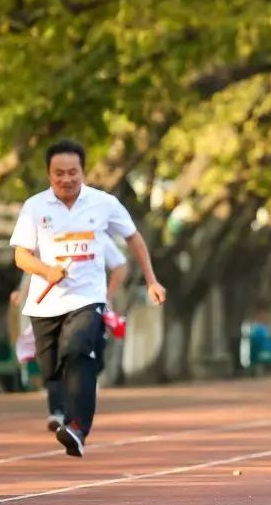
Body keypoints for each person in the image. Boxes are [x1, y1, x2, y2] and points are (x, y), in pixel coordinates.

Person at [9, 139, 166, 457]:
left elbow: (133, 238)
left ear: (83, 172)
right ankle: (65, 405)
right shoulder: (34, 207)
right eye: (59, 173)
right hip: (44, 302)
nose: (66, 179)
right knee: (51, 367)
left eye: (73, 172)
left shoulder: (103, 204)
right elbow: (21, 256)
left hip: (87, 298)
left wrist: (151, 280)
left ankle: (77, 428)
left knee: (78, 350)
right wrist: (45, 270)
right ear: (49, 174)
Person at [12, 232, 129, 431]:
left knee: (81, 353)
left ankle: (80, 395)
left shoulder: (94, 233)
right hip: (49, 308)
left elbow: (119, 266)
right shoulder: (44, 235)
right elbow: (27, 266)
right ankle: (57, 410)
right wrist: (23, 292)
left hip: (86, 305)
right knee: (50, 359)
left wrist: (107, 295)